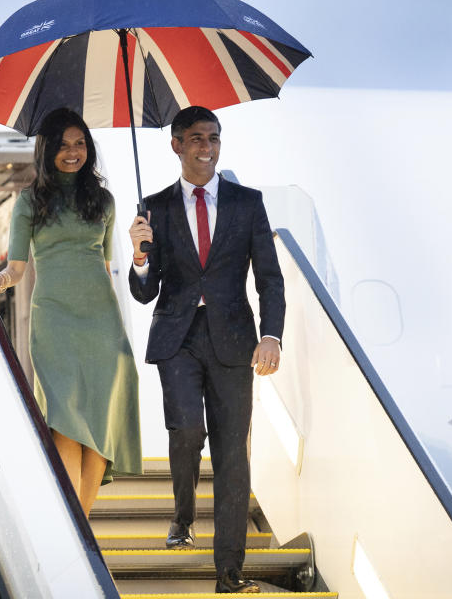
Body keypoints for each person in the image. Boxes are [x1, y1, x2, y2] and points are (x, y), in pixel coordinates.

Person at [128, 106, 285, 594]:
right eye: (196, 138)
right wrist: (138, 257)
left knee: (232, 454)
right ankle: (182, 516)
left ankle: (229, 573)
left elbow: (270, 278)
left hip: (235, 339)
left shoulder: (246, 203)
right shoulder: (153, 206)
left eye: (213, 138)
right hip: (177, 337)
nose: (207, 147)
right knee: (187, 431)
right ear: (176, 144)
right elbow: (145, 291)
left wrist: (272, 335)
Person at [0, 107, 141, 518]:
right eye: (63, 145)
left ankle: (80, 527)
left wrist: (139, 251)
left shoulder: (105, 200)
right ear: (47, 151)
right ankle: (77, 528)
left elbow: (104, 267)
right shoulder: (30, 202)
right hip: (54, 323)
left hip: (102, 323)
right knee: (65, 422)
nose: (73, 152)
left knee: (99, 428)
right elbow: (15, 269)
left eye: (80, 143)